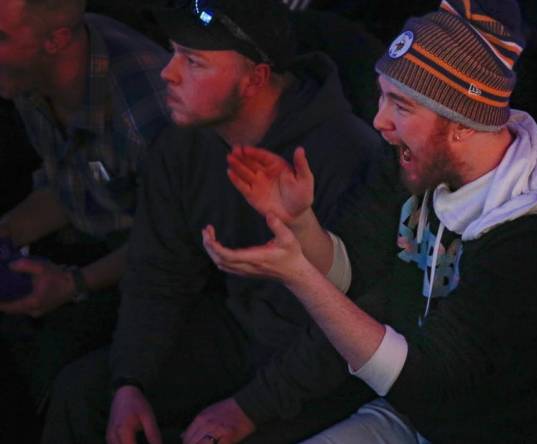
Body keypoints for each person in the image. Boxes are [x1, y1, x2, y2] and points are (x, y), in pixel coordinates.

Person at [203, 0, 537, 441]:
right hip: (405, 417)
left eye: (402, 106)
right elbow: (350, 270)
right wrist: (300, 223)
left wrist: (297, 274)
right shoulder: (410, 165)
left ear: (464, 124)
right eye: (382, 96)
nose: (379, 121)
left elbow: (423, 378)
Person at [42, 0, 380, 443]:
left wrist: (249, 409)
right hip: (238, 332)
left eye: (194, 61)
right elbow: (158, 272)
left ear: (254, 79)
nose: (168, 72)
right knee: (85, 395)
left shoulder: (349, 155)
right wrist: (131, 381)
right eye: (174, 51)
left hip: (326, 366)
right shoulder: (184, 145)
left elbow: (361, 323)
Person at [0, 0, 170, 420]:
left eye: (1, 37)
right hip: (98, 237)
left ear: (56, 40)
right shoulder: (32, 75)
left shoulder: (148, 112)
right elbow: (72, 188)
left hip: (158, 274)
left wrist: (73, 284)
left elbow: (174, 243)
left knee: (59, 383)